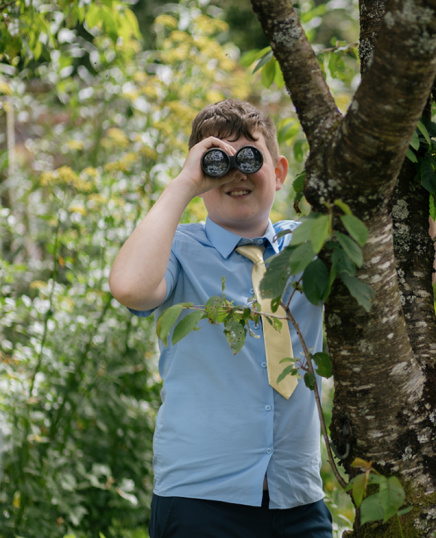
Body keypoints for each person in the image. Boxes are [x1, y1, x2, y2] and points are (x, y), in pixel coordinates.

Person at [110, 99, 333, 537]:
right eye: (218, 163)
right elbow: (131, 287)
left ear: (280, 171)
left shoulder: (312, 246)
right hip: (200, 499)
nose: (237, 172)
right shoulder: (178, 249)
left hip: (299, 498)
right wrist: (184, 182)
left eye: (251, 158)